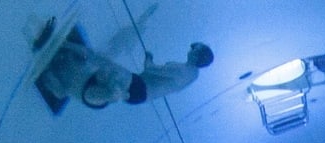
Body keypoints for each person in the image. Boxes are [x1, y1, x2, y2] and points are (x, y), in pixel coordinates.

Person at [40, 40, 213, 109]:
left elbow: (151, 70)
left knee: (105, 65)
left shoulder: (183, 70)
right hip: (138, 94)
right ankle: (110, 93)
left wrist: (149, 58)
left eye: (195, 48)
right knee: (102, 84)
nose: (191, 49)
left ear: (198, 55)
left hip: (138, 86)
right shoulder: (191, 75)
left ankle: (67, 46)